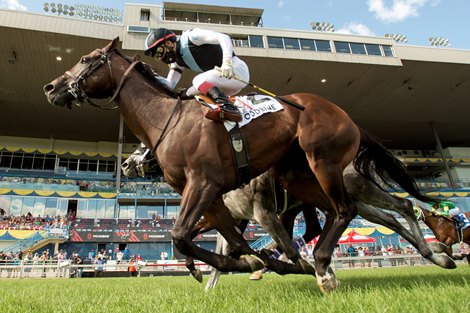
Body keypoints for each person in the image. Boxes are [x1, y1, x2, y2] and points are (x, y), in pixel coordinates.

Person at [143, 27, 249, 123]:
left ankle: (229, 108)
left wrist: (227, 62)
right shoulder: (177, 62)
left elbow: (224, 37)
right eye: (157, 56)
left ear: (169, 43)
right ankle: (221, 114)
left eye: (159, 52)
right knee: (189, 93)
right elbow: (170, 85)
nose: (161, 58)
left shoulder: (191, 37)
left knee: (197, 80)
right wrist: (149, 74)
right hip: (226, 84)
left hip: (236, 70)